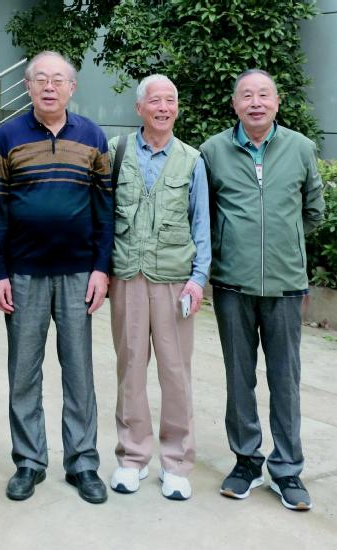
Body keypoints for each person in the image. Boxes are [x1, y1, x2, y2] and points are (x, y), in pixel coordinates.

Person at [0, 51, 114, 504]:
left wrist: (101, 268)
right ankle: (29, 461)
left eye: (58, 79)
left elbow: (105, 209)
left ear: (71, 88)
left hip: (79, 273)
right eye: (40, 79)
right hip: (23, 274)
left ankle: (82, 462)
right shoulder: (7, 137)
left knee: (79, 372)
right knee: (23, 373)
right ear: (28, 86)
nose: (49, 86)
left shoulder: (93, 136)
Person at [200, 69, 324, 511]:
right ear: (234, 104)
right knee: (239, 377)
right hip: (232, 284)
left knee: (285, 380)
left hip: (286, 285)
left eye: (264, 95)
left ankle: (287, 470)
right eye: (247, 95)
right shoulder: (213, 150)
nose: (256, 102)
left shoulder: (301, 148)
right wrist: (228, 247)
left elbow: (313, 210)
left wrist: (285, 245)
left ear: (277, 102)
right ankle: (246, 461)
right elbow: (204, 214)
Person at [107, 75, 210, 501]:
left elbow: (201, 223)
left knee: (175, 372)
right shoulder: (116, 152)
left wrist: (198, 279)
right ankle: (132, 457)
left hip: (174, 280)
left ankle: (176, 463)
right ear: (140, 108)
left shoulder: (192, 159)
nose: (163, 108)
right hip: (127, 276)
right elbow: (101, 215)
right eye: (155, 101)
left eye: (170, 100)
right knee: (130, 368)